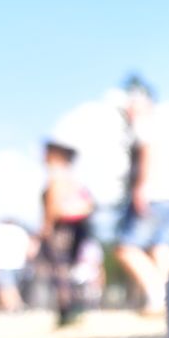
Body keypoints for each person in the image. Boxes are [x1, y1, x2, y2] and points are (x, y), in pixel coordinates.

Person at [115, 81, 169, 315]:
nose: (127, 111)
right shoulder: (167, 127)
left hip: (154, 194)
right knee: (162, 246)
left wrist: (139, 188)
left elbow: (146, 153)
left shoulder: (143, 125)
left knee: (126, 248)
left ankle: (157, 295)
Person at [40, 140, 95, 327]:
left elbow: (53, 205)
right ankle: (76, 307)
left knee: (59, 269)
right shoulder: (73, 179)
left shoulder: (55, 177)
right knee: (70, 268)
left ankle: (66, 309)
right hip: (77, 228)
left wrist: (46, 228)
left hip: (61, 228)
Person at [0, 218, 33, 312]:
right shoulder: (21, 231)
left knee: (5, 288)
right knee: (11, 287)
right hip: (19, 264)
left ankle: (15, 308)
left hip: (0, 263)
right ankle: (14, 307)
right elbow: (30, 250)